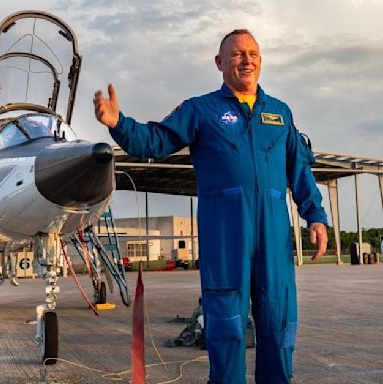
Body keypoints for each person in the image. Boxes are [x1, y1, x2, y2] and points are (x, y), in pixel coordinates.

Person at [94, 29, 328, 383]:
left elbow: (298, 168)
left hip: (274, 237)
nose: (246, 60)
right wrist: (119, 124)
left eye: (252, 53)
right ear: (220, 63)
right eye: (236, 54)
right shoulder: (200, 110)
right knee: (225, 326)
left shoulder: (280, 113)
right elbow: (155, 140)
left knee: (279, 323)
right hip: (225, 237)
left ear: (261, 61)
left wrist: (316, 215)